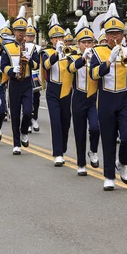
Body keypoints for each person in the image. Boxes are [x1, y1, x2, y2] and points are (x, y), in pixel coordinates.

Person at [89, 4, 127, 191]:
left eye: (118, 33)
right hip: (106, 98)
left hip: (125, 98)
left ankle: (123, 163)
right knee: (108, 138)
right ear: (105, 35)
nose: (115, 37)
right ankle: (109, 175)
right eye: (111, 34)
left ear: (123, 34)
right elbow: (94, 75)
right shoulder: (96, 52)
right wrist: (109, 60)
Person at [0, 6, 40, 155]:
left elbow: (37, 65)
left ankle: (24, 132)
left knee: (28, 111)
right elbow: (3, 65)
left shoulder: (31, 48)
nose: (21, 33)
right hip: (14, 83)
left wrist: (29, 61)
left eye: (23, 31)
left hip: (27, 83)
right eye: (18, 31)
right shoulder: (7, 47)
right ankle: (16, 143)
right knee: (15, 114)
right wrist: (11, 71)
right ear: (14, 32)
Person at [67, 16, 100, 175]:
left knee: (95, 127)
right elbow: (71, 69)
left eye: (90, 42)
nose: (87, 45)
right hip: (79, 98)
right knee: (79, 132)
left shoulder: (98, 56)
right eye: (84, 42)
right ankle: (81, 163)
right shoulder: (73, 56)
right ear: (78, 44)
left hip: (93, 98)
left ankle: (93, 150)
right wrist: (83, 58)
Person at [41, 14, 73, 166]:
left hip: (66, 88)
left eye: (60, 37)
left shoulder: (69, 51)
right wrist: (56, 53)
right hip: (53, 89)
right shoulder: (47, 52)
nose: (58, 40)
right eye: (55, 38)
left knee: (66, 121)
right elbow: (46, 66)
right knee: (55, 121)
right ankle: (58, 153)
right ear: (51, 40)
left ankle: (63, 147)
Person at [25, 19, 41, 132]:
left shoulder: (38, 48)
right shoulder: (21, 46)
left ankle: (34, 118)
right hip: (25, 74)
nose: (30, 38)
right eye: (28, 35)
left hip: (35, 74)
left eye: (32, 36)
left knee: (36, 98)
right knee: (26, 99)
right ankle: (28, 121)